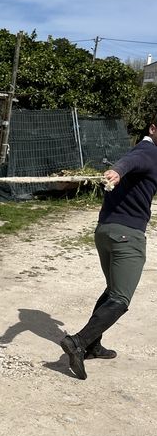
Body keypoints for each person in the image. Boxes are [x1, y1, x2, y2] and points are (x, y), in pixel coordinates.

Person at [61, 120, 157, 380]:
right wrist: (117, 171)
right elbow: (131, 163)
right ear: (152, 128)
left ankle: (93, 345)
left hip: (106, 232)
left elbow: (132, 164)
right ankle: (78, 342)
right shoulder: (147, 152)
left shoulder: (142, 153)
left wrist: (119, 170)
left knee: (112, 290)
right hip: (127, 236)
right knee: (121, 299)